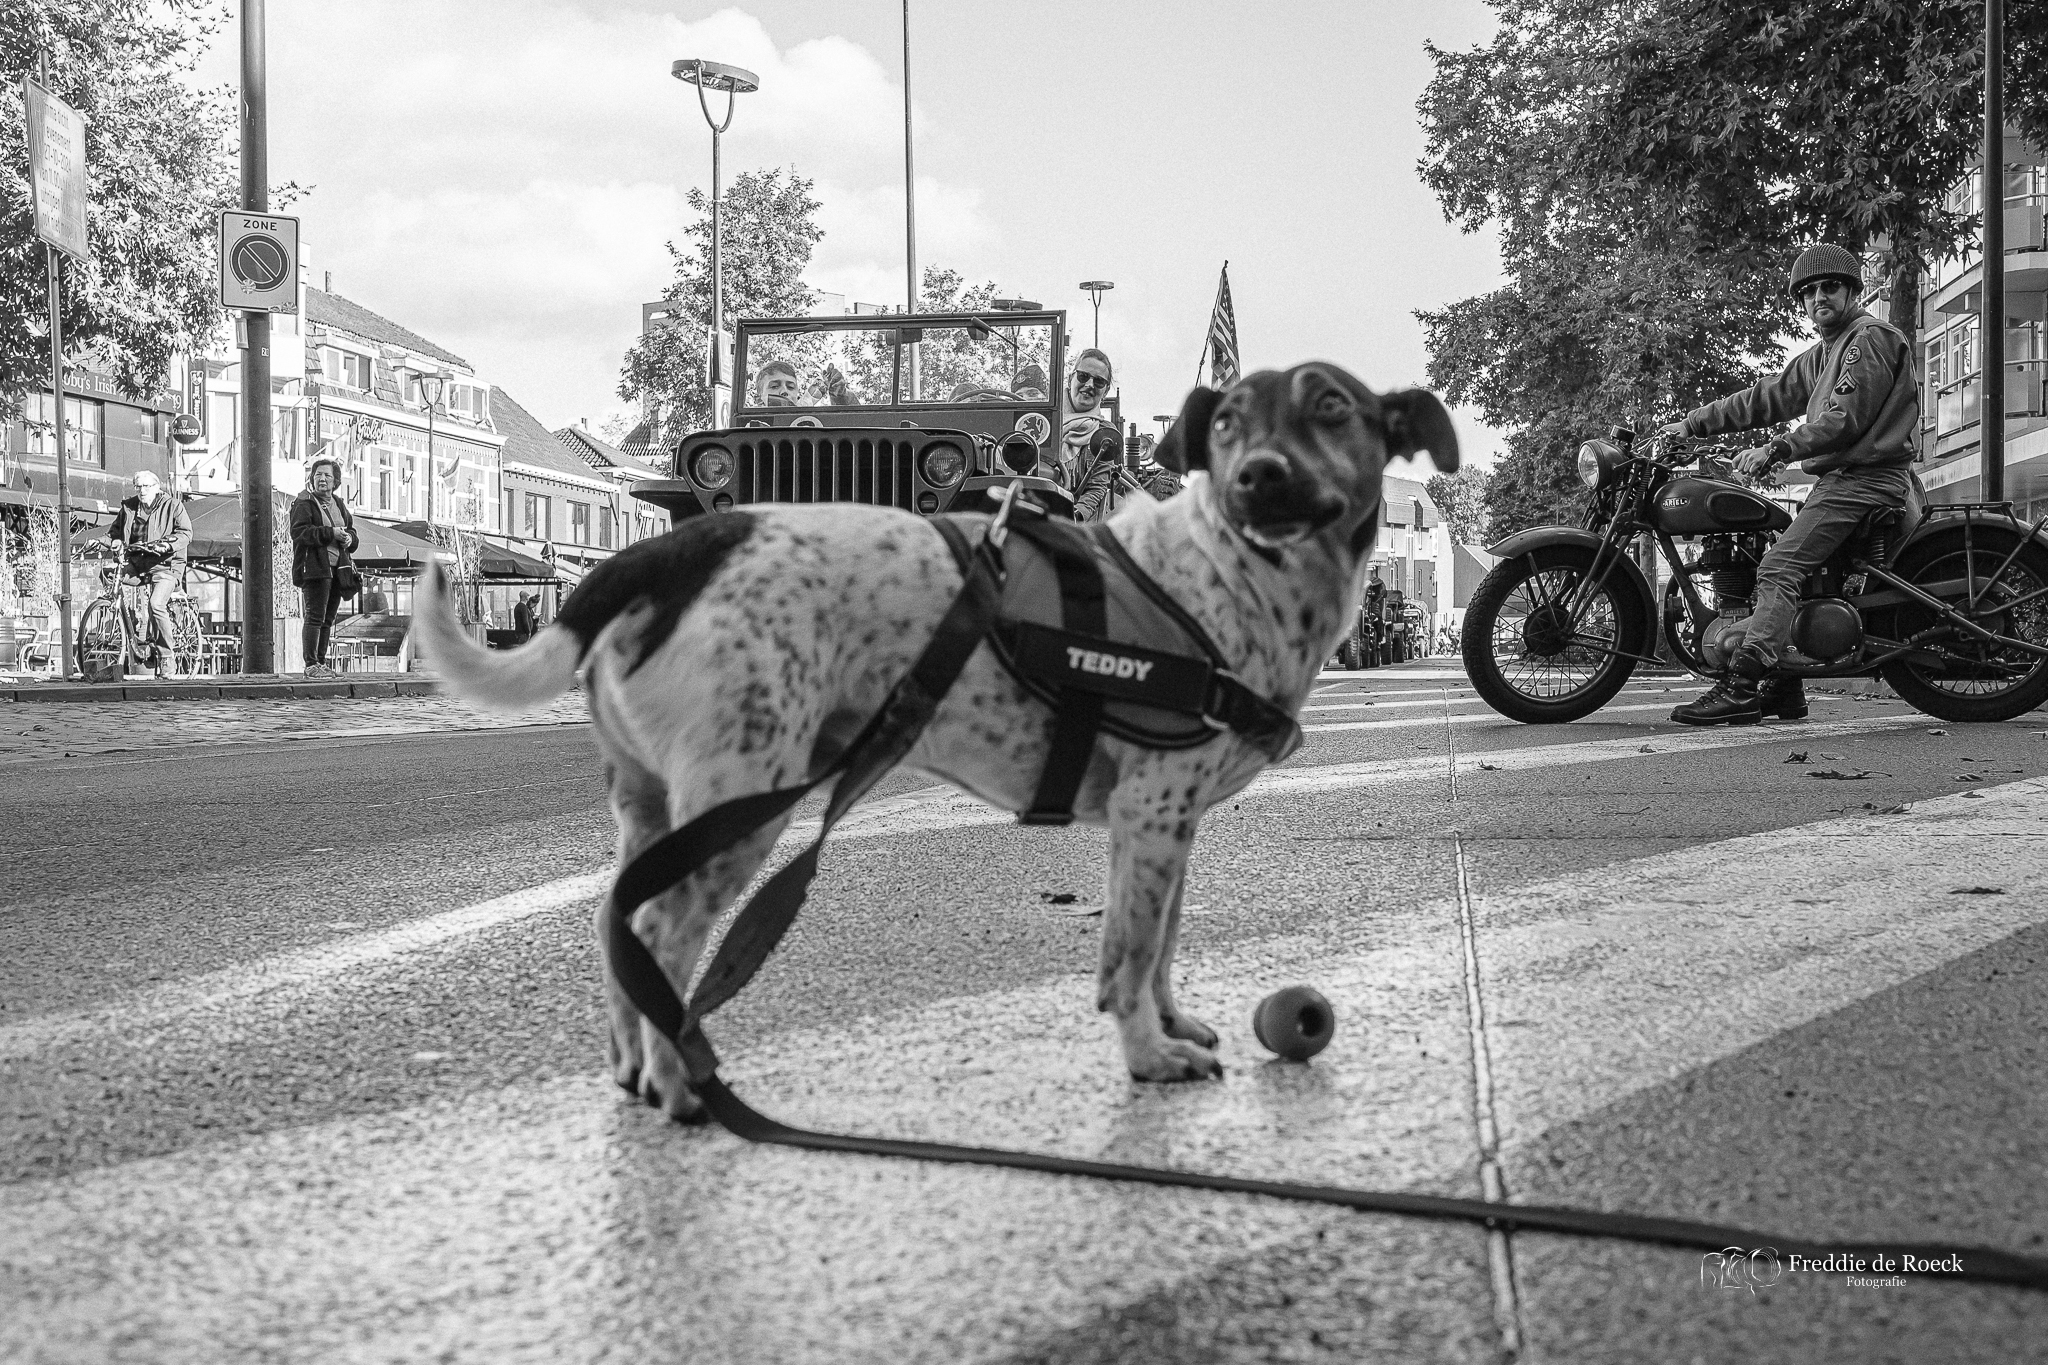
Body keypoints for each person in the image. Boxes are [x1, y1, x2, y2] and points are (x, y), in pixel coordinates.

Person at [1657, 243, 1924, 726]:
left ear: (1851, 291)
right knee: (1783, 561)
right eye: (1808, 291)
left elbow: (1843, 419)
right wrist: (1692, 424)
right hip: (1843, 481)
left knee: (1778, 569)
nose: (1819, 297)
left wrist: (1778, 449)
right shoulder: (1825, 353)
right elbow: (1767, 397)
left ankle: (1741, 687)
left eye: (1829, 287)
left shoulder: (1868, 339)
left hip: (1865, 480)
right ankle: (1784, 689)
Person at [104, 469, 192, 680]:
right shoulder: (128, 506)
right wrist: (114, 541)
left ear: (157, 487)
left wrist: (166, 544)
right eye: (138, 486)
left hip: (166, 565)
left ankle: (166, 656)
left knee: (155, 604)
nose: (142, 491)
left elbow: (186, 533)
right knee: (108, 574)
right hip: (137, 562)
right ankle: (132, 632)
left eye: (146, 486)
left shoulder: (173, 506)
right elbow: (114, 532)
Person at [290, 457, 360, 678]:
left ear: (335, 480)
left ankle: (321, 662)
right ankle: (311, 664)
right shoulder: (304, 503)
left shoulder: (339, 504)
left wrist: (349, 538)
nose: (322, 479)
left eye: (327, 475)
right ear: (312, 478)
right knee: (314, 617)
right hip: (315, 569)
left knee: (328, 619)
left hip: (338, 569)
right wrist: (331, 533)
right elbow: (299, 532)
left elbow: (351, 531)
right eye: (318, 474)